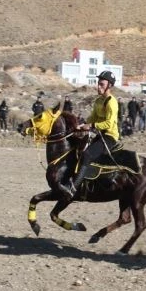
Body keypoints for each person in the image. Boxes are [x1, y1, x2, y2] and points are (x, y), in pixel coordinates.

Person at [59, 70, 120, 199]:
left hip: (109, 137)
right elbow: (93, 117)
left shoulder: (112, 102)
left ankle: (73, 188)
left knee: (87, 154)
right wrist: (81, 125)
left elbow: (109, 124)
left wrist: (91, 126)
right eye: (98, 83)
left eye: (102, 84)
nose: (98, 86)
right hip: (99, 135)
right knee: (78, 150)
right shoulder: (98, 101)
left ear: (109, 86)